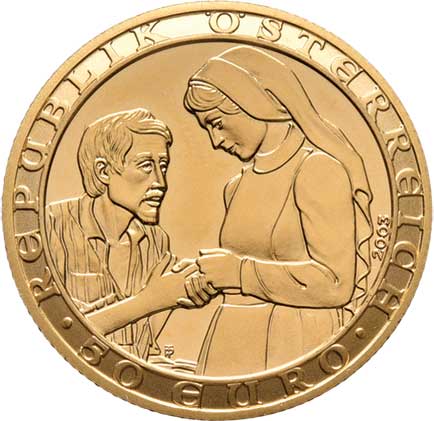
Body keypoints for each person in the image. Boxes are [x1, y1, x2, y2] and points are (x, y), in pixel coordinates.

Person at [178, 46, 373, 376]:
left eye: (217, 123)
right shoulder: (235, 186)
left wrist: (239, 274)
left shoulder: (317, 170)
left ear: (252, 104)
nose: (215, 140)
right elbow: (240, 267)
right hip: (230, 339)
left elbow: (336, 283)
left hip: (295, 340)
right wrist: (205, 277)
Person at [46, 108, 213, 360]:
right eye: (145, 165)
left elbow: (144, 343)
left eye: (163, 166)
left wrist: (179, 295)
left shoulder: (155, 241)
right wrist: (153, 300)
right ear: (103, 172)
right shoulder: (52, 226)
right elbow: (58, 332)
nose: (161, 182)